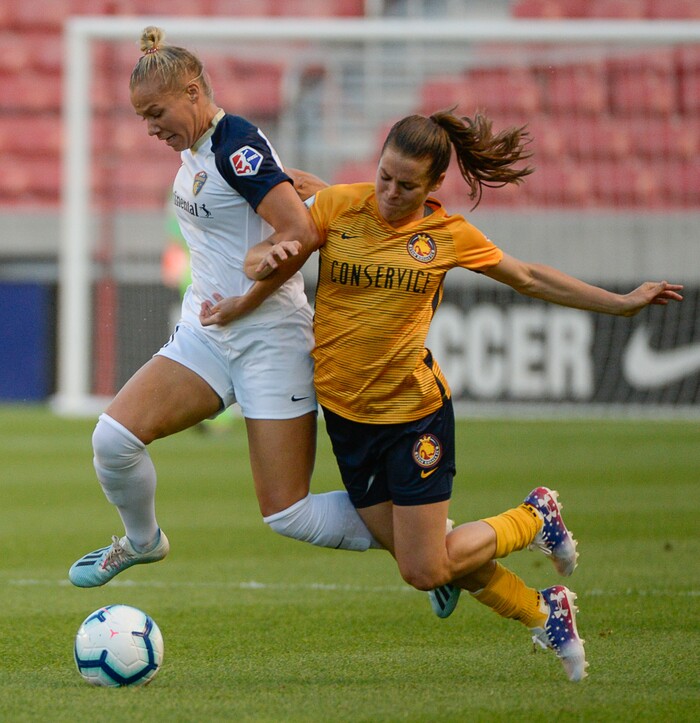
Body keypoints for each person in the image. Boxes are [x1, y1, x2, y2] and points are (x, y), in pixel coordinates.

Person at [243, 109, 684, 681]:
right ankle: (544, 608)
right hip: (347, 419)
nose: (391, 192)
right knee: (427, 561)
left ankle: (534, 518)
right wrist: (262, 250)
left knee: (426, 570)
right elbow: (271, 225)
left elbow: (528, 277)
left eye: (407, 185)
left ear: (432, 187)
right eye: (384, 176)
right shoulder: (337, 206)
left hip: (413, 417)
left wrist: (620, 302)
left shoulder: (448, 237)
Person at [68, 26, 386, 589]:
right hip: (208, 335)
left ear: (193, 91)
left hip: (270, 339)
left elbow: (301, 233)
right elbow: (281, 193)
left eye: (156, 111)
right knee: (112, 441)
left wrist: (247, 302)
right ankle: (143, 542)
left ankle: (431, 544)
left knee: (289, 513)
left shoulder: (235, 143)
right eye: (142, 117)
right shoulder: (198, 147)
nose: (150, 128)